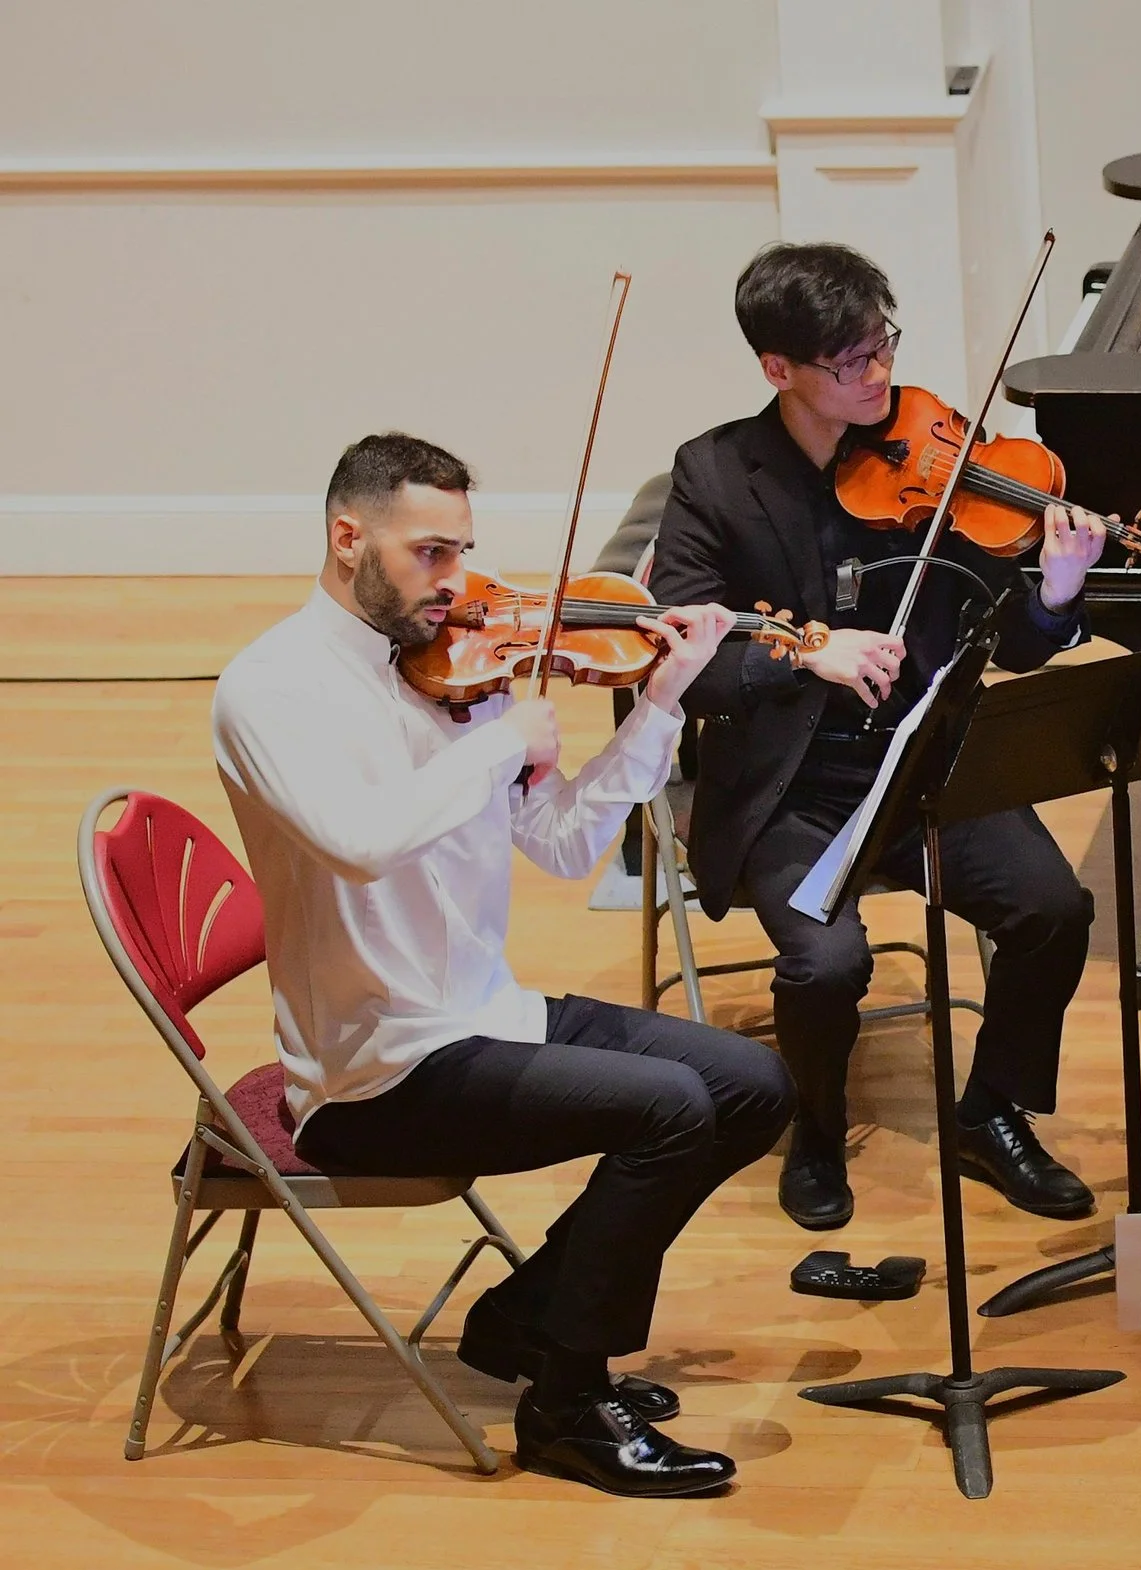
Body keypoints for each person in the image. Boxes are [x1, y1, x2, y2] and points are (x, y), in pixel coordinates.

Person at [212, 433, 794, 1498]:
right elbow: (359, 837)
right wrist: (497, 739)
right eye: (431, 553)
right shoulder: (272, 690)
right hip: (376, 1069)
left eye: (465, 551)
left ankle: (527, 1317)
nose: (460, 583)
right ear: (350, 539)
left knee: (751, 1086)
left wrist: (660, 703)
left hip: (489, 1013)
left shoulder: (459, 678)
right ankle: (566, 1399)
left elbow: (570, 844)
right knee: (666, 1111)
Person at [648, 243, 1108, 1232]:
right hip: (790, 786)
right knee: (827, 965)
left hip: (925, 766)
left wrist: (1060, 593)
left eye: (882, 345)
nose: (879, 374)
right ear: (779, 370)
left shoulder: (942, 465)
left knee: (1054, 910)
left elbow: (1013, 644)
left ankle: (988, 1114)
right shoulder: (716, 476)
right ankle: (815, 1129)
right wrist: (800, 653)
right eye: (850, 361)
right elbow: (677, 661)